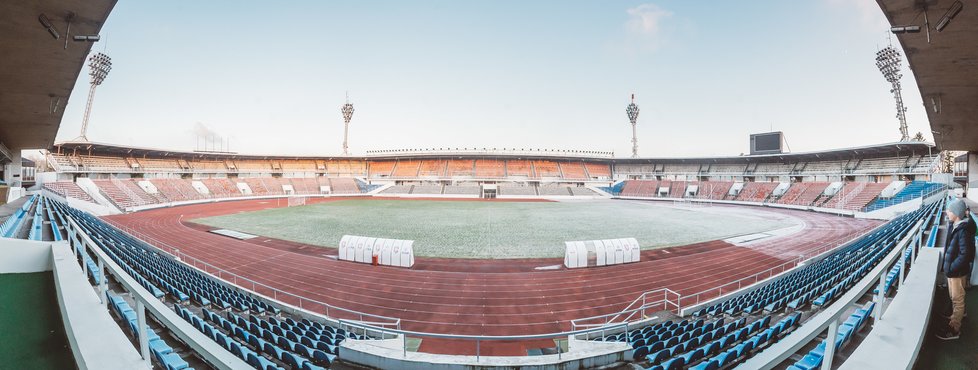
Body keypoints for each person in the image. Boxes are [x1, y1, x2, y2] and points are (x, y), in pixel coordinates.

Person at [937, 198, 976, 340]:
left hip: (956, 272)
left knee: (957, 299)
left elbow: (965, 255)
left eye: (950, 210)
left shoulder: (962, 231)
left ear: (957, 214)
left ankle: (954, 329)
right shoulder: (956, 225)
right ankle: (956, 316)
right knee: (955, 298)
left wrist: (951, 268)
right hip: (954, 271)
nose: (947, 212)